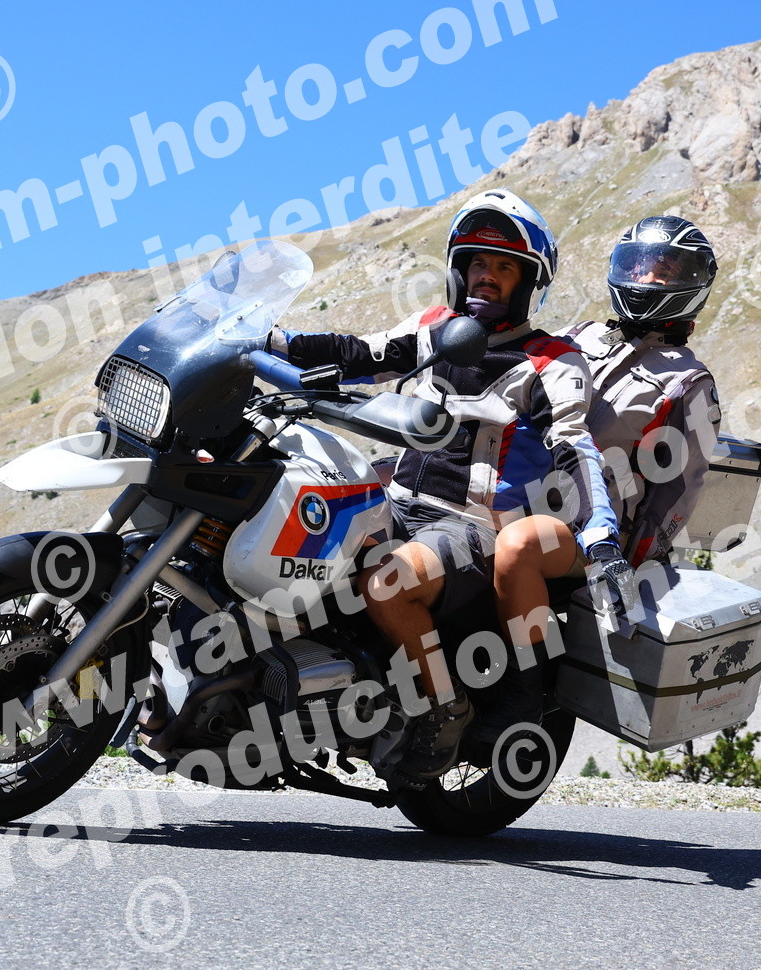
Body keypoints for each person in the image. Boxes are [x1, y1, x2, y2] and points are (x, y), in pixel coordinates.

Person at [268, 189, 625, 786]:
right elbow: (358, 353)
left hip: (474, 526)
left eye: (504, 267)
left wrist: (602, 535)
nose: (487, 276)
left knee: (386, 584)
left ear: (528, 283)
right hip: (396, 505)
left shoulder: (553, 361)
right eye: (477, 263)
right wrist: (268, 341)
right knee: (296, 531)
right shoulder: (434, 329)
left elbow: (575, 447)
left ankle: (443, 706)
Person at [489, 215, 721, 666]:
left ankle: (523, 683)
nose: (646, 278)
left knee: (520, 545)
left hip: (593, 535)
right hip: (515, 495)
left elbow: (676, 494)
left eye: (663, 271)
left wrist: (625, 567)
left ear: (691, 283)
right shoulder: (581, 336)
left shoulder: (689, 382)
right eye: (639, 266)